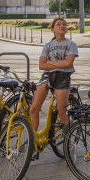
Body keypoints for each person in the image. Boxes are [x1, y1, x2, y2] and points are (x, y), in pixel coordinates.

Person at [28, 18, 78, 160]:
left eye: (64, 24)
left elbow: (69, 63)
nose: (62, 26)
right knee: (33, 109)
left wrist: (51, 62)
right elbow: (41, 66)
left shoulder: (71, 44)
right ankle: (33, 144)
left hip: (63, 77)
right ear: (53, 30)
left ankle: (69, 147)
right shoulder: (48, 45)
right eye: (58, 24)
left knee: (62, 113)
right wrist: (59, 64)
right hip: (47, 76)